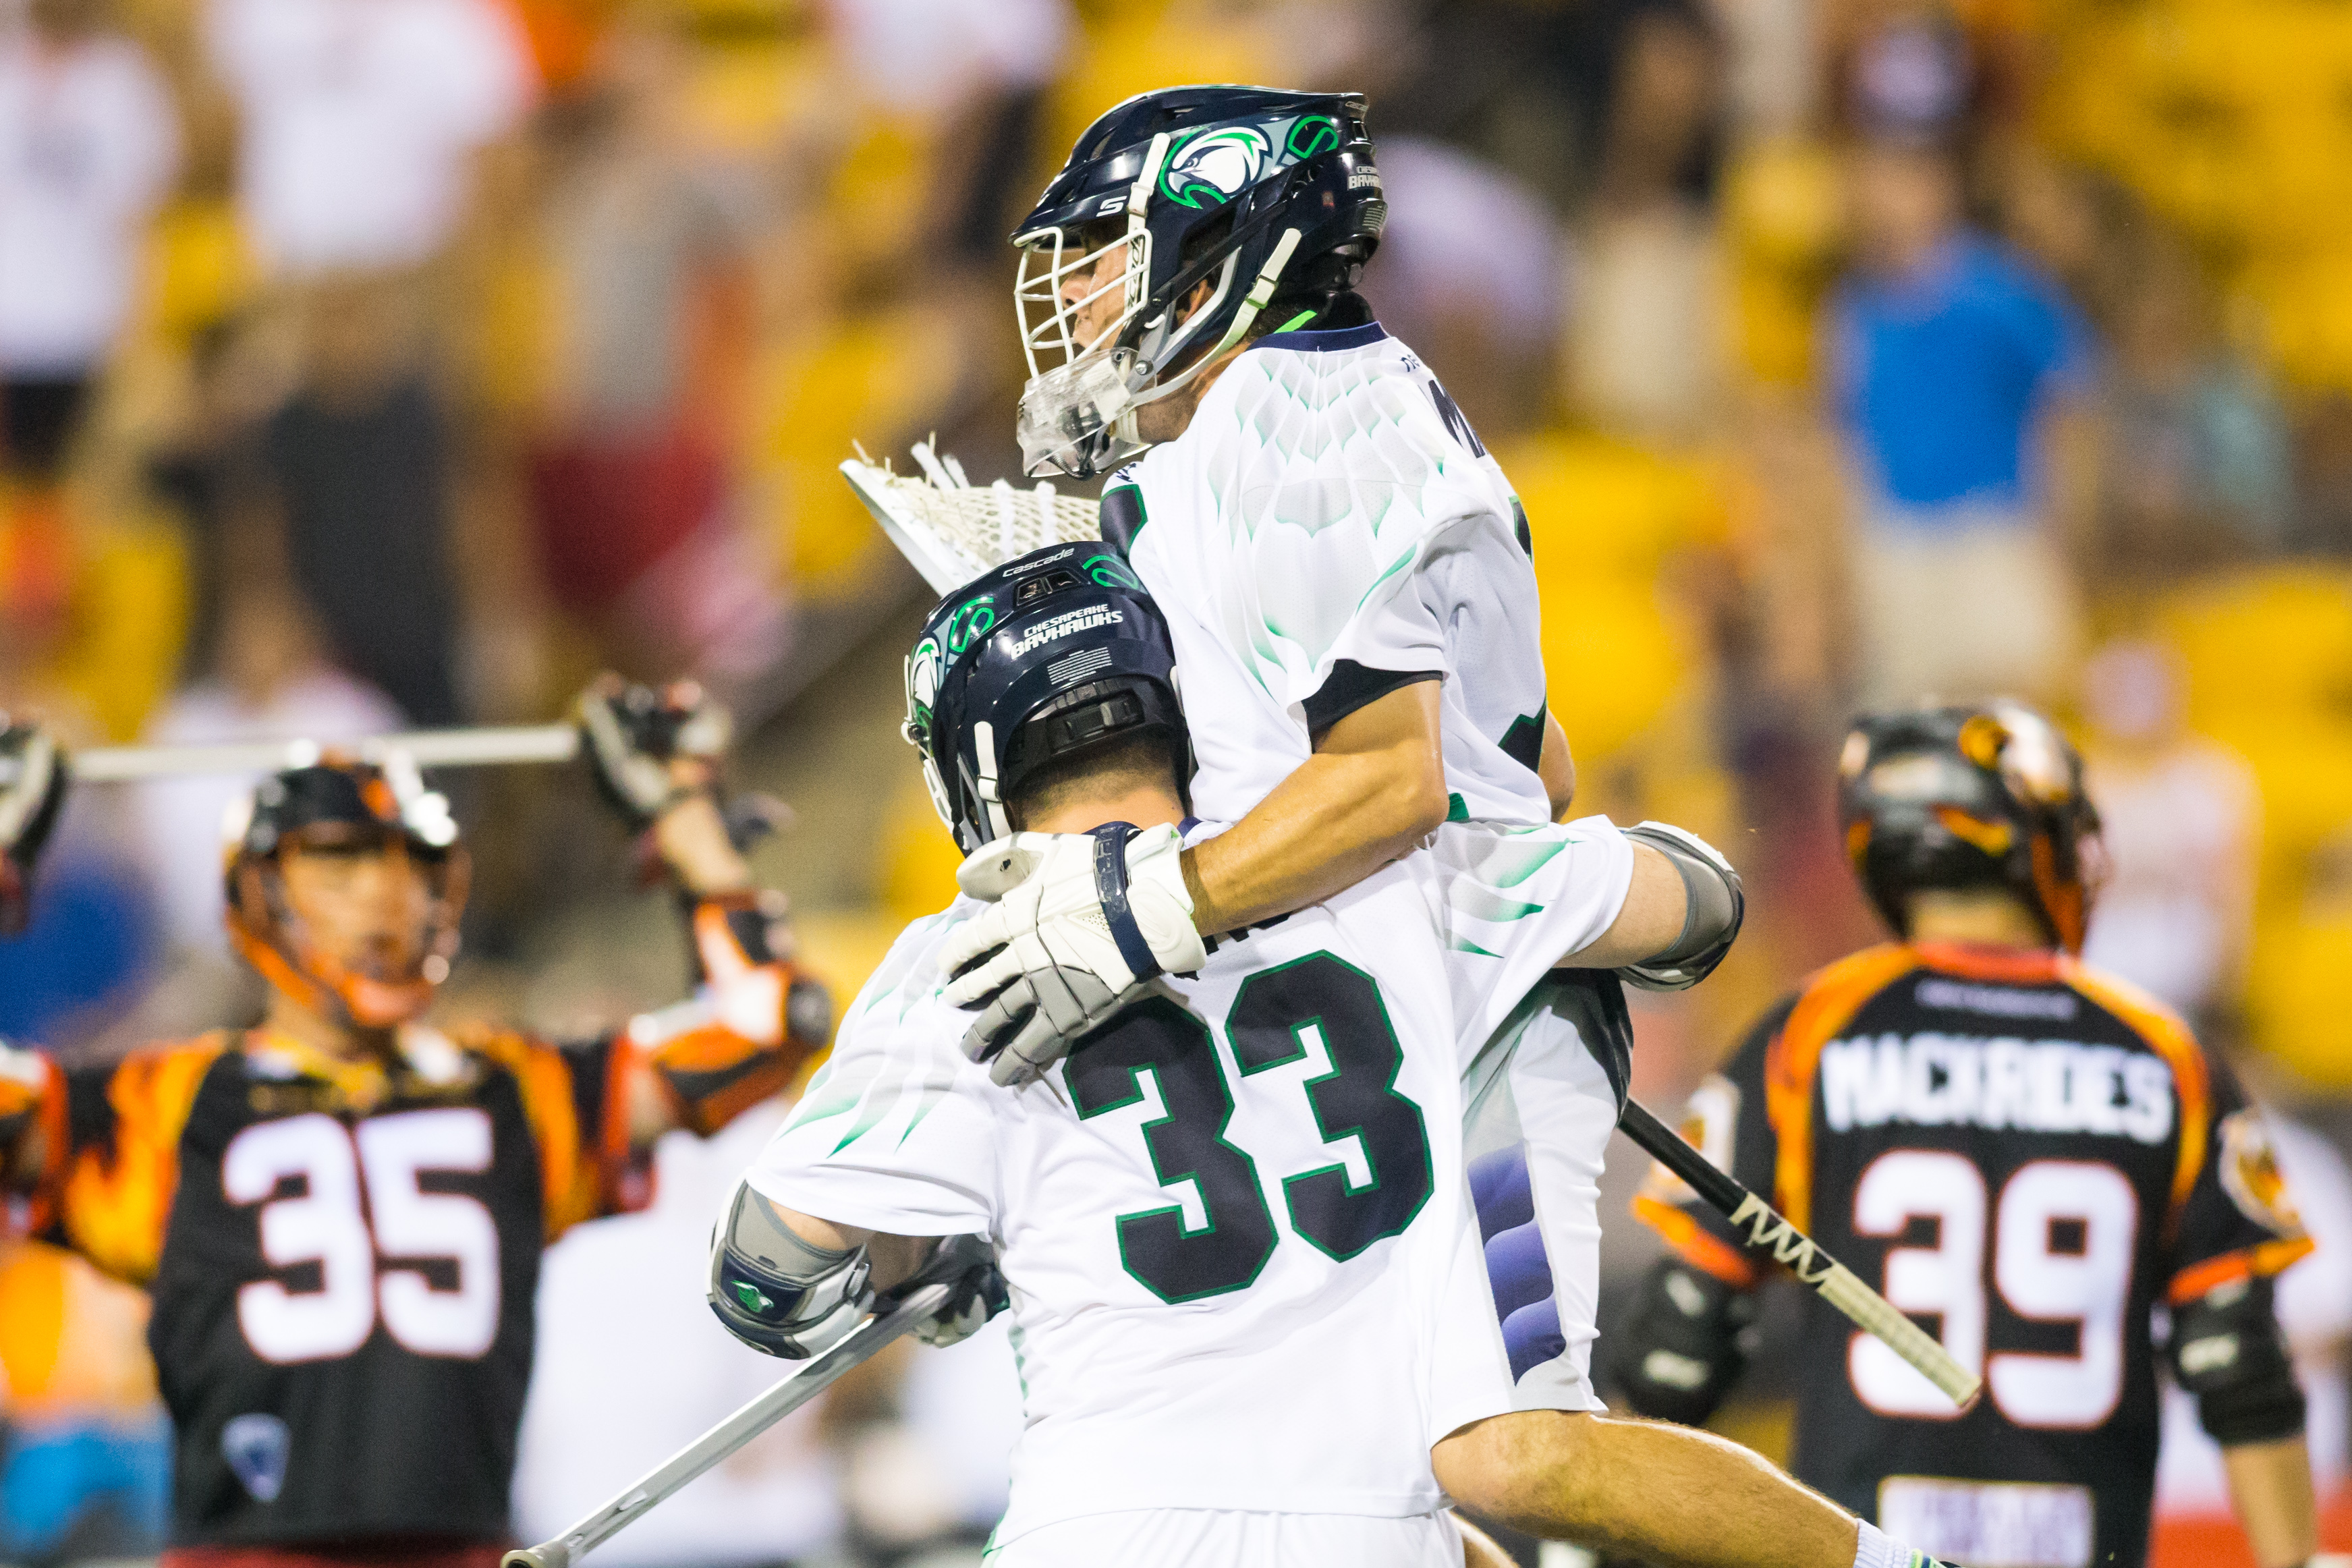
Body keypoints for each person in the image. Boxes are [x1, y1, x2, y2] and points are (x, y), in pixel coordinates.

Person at [920, 85, 1942, 1568]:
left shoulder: (1303, 409)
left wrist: (1137, 913)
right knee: (1351, 1475)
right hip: (1361, 995)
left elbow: (1392, 782)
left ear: (1224, 240)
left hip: (1460, 1000)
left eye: (1100, 247)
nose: (1073, 291)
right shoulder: (1240, 437)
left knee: (1509, 1449)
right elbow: (1539, 760)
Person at [717, 549, 1953, 1568]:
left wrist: (935, 1260)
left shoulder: (955, 963)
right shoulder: (1386, 872)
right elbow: (1697, 903)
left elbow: (770, 1278)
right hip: (1377, 1532)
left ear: (974, 763)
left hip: (1097, 1528)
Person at [0, 677, 832, 1567]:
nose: (384, 898)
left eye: (407, 864)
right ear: (256, 890)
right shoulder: (164, 1104)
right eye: (341, 861)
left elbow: (769, 1027)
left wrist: (687, 823)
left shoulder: (513, 1088)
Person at [1614, 700, 2322, 1568]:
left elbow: (1683, 1335)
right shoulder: (2163, 1051)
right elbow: (2239, 1361)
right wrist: (2294, 1559)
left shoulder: (1811, 1031)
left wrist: (1587, 1543)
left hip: (1860, 1548)